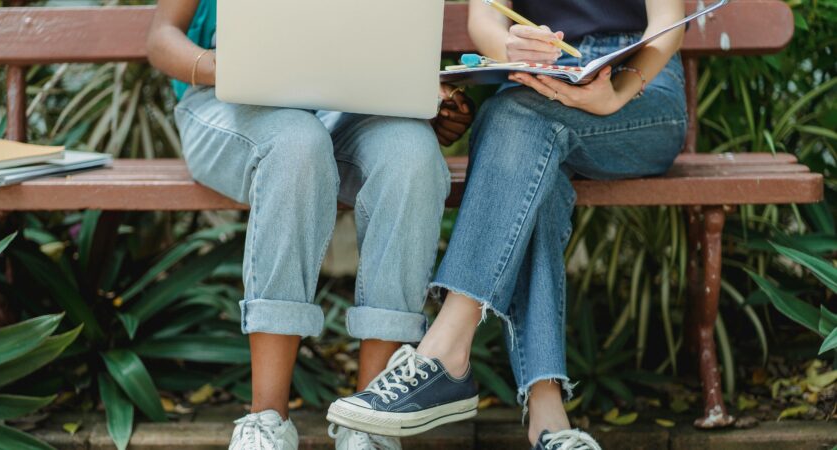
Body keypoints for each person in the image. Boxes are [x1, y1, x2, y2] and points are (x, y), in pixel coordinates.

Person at [328, 0, 689, 448]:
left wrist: (618, 90)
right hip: (541, 80)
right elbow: (486, 21)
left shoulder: (628, 82)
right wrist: (513, 47)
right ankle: (550, 425)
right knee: (532, 164)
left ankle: (445, 352)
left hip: (638, 86)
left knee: (512, 118)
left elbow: (669, 23)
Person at [146, 1, 474, 449]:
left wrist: (421, 98)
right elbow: (161, 37)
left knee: (411, 156)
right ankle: (267, 420)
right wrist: (228, 69)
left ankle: (372, 423)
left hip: (348, 103)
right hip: (228, 100)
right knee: (297, 145)